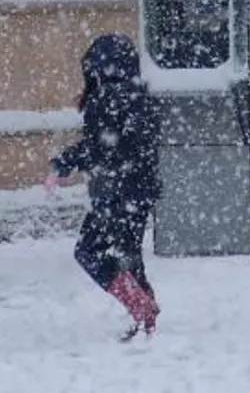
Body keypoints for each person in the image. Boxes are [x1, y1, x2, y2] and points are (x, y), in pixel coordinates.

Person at [46, 33, 162, 339]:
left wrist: (63, 163)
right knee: (128, 253)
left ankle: (140, 306)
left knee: (89, 251)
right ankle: (146, 315)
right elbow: (128, 145)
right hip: (140, 190)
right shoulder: (142, 96)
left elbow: (101, 147)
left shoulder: (106, 99)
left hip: (116, 191)